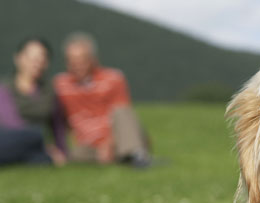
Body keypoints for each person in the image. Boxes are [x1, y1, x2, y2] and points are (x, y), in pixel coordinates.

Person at [54, 32, 150, 167]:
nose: (77, 65)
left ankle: (136, 154)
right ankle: (126, 156)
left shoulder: (114, 78)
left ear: (93, 59)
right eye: (72, 61)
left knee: (122, 111)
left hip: (117, 137)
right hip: (88, 145)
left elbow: (123, 116)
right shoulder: (60, 84)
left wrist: (109, 143)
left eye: (82, 60)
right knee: (75, 154)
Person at [0, 37, 67, 166]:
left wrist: (62, 151)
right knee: (35, 136)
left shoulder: (50, 92)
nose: (37, 63)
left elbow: (57, 126)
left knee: (42, 160)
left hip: (35, 147)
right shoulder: (4, 89)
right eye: (31, 58)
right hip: (8, 138)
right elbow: (11, 123)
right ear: (18, 58)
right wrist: (42, 142)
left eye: (41, 59)